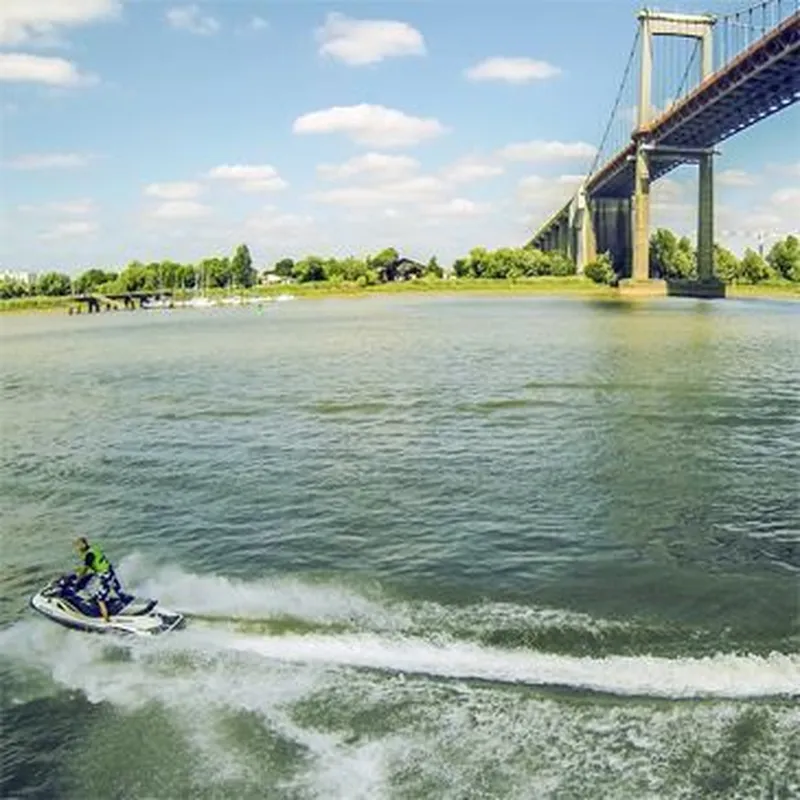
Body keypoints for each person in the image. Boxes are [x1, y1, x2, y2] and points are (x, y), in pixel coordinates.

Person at [73, 537, 122, 622]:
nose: (77, 548)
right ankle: (121, 603)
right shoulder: (93, 550)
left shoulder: (89, 555)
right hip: (110, 573)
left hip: (105, 576)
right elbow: (97, 563)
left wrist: (78, 579)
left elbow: (85, 569)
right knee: (115, 590)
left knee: (100, 599)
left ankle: (107, 621)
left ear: (84, 545)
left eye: (78, 545)